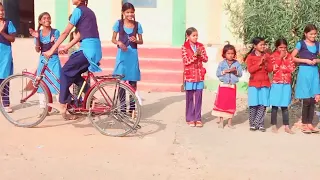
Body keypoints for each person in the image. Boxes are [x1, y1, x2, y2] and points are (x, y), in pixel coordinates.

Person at [43, 0, 102, 120]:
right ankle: (90, 95)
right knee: (73, 74)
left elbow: (65, 32)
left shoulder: (78, 11)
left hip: (87, 50)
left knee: (64, 71)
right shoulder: (90, 12)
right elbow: (80, 35)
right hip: (95, 50)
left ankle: (63, 103)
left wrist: (51, 50)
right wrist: (66, 47)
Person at [111, 2, 143, 114]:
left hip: (133, 55)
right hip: (122, 55)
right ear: (123, 13)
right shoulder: (118, 23)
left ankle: (132, 108)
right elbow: (113, 39)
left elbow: (141, 41)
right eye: (128, 12)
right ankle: (122, 108)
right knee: (121, 82)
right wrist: (119, 43)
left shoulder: (137, 25)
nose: (130, 14)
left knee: (133, 83)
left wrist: (137, 41)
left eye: (132, 12)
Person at [29, 12, 61, 116]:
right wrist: (37, 38)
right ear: (40, 21)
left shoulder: (56, 32)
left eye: (48, 18)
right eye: (44, 18)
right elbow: (37, 50)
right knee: (41, 82)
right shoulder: (38, 33)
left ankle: (60, 105)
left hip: (54, 60)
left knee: (57, 82)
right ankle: (44, 108)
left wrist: (51, 43)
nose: (47, 19)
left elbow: (56, 46)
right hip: (43, 60)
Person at [291, 24, 320, 133]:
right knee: (306, 99)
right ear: (305, 34)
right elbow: (292, 57)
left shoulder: (317, 44)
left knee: (313, 99)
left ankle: (310, 123)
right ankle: (304, 123)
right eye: (311, 34)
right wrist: (305, 60)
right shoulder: (301, 44)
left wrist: (317, 61)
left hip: (314, 73)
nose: (313, 36)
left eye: (315, 34)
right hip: (304, 72)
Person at [182, 27, 208, 127]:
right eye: (193, 35)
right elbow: (186, 61)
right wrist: (194, 56)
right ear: (188, 36)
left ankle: (198, 118)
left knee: (198, 97)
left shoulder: (201, 46)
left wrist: (200, 55)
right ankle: (190, 118)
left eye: (197, 35)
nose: (196, 37)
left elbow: (205, 59)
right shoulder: (184, 47)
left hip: (199, 75)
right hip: (189, 76)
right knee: (189, 97)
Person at [212, 43, 242, 129]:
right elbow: (218, 73)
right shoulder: (222, 64)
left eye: (232, 53)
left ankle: (229, 122)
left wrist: (235, 71)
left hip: (232, 86)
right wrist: (225, 71)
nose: (230, 55)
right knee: (222, 103)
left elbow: (240, 74)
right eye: (228, 53)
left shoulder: (237, 64)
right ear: (224, 54)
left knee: (231, 103)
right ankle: (221, 121)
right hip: (223, 85)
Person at [246, 37, 273, 132]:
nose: (263, 46)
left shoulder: (267, 56)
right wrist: (259, 63)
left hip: (265, 83)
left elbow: (270, 69)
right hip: (253, 83)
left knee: (263, 104)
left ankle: (260, 124)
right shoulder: (250, 57)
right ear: (255, 46)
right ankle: (252, 123)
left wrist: (265, 63)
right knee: (253, 104)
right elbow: (250, 70)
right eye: (261, 45)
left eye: (264, 44)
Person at [269, 39, 295, 134]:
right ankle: (274, 125)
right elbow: (274, 68)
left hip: (286, 83)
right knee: (275, 106)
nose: (283, 49)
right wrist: (280, 58)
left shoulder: (289, 56)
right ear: (277, 47)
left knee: (285, 106)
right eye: (280, 47)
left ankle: (286, 126)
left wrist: (284, 67)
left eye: (284, 47)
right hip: (276, 83)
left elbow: (292, 68)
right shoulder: (273, 56)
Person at [0, 2, 16, 113]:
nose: (1, 13)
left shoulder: (8, 23)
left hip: (5, 54)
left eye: (2, 10)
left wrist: (1, 32)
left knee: (4, 79)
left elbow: (12, 39)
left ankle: (6, 103)